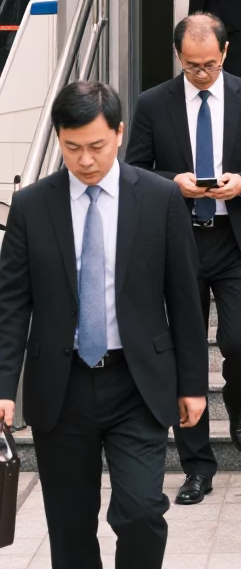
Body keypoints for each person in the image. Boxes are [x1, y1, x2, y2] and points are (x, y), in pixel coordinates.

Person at [0, 81, 208, 569]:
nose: (86, 159)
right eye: (73, 148)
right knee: (69, 528)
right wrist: (3, 385)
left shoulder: (158, 199)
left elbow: (184, 301)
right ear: (58, 140)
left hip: (137, 382)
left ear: (119, 132)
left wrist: (193, 384)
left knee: (140, 512)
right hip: (62, 385)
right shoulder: (32, 206)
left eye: (96, 145)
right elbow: (11, 304)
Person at [125, 13, 241, 506]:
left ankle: (239, 399)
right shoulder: (154, 103)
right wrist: (172, 182)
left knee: (240, 341)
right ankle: (197, 466)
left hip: (236, 239)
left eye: (210, 65)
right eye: (193, 66)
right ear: (180, 56)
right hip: (180, 242)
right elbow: (135, 167)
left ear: (225, 51)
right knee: (182, 350)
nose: (202, 74)